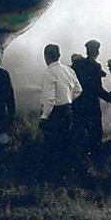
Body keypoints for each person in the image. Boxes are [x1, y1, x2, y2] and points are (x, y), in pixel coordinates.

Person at [39, 44, 82, 178]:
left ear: (46, 57)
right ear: (59, 55)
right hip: (68, 110)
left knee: (52, 144)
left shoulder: (49, 73)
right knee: (66, 142)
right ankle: (67, 173)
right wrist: (68, 99)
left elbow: (50, 100)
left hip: (55, 113)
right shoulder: (69, 70)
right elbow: (78, 90)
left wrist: (44, 117)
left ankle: (53, 175)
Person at [71, 39, 111, 156]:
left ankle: (76, 157)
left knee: (77, 133)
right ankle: (94, 157)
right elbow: (97, 88)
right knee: (95, 135)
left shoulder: (77, 64)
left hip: (77, 104)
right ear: (96, 52)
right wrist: (109, 98)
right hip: (91, 106)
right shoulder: (95, 66)